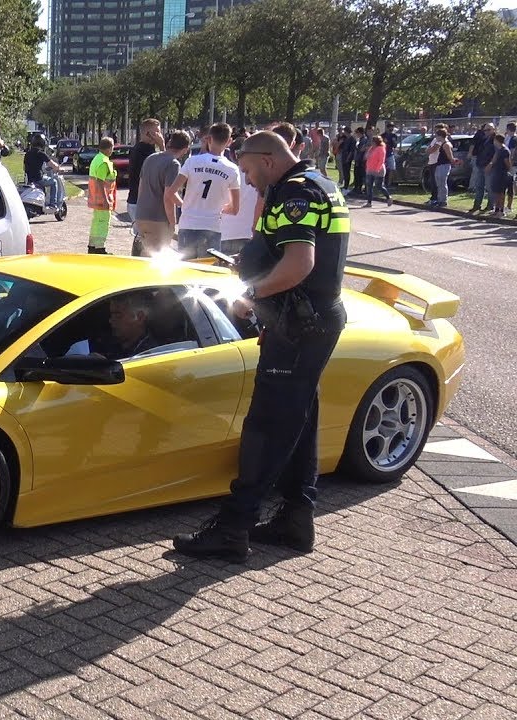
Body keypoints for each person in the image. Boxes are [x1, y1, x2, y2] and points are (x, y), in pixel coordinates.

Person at [173, 130, 349, 562]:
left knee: (266, 426)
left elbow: (299, 263)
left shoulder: (294, 192)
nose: (247, 180)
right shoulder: (322, 184)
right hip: (310, 320)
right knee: (301, 418)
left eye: (249, 169)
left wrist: (251, 292)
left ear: (267, 160)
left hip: (298, 324)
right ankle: (295, 520)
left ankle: (233, 527)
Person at [165, 122, 240, 259]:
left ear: (208, 139)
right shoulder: (232, 169)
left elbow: (171, 192)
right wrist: (221, 209)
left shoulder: (192, 162)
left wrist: (185, 205)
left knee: (186, 269)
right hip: (212, 225)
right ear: (229, 141)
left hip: (188, 223)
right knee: (207, 271)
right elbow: (235, 208)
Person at [134, 130, 191, 256]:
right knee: (157, 258)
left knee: (145, 255)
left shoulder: (150, 158)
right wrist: (173, 221)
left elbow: (141, 188)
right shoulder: (173, 164)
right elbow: (168, 196)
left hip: (141, 215)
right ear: (186, 149)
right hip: (158, 218)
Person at [126, 119, 163, 253]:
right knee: (147, 242)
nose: (160, 135)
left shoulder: (141, 149)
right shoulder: (145, 151)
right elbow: (165, 167)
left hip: (136, 200)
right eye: (157, 132)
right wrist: (163, 146)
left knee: (141, 238)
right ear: (149, 133)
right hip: (141, 202)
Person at [86, 136, 117, 255]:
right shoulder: (104, 162)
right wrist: (105, 199)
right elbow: (100, 181)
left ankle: (92, 246)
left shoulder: (96, 159)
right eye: (112, 147)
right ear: (109, 148)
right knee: (103, 223)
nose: (113, 150)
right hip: (103, 199)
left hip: (95, 198)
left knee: (96, 223)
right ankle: (100, 248)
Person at [468, 124, 495, 212]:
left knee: (490, 187)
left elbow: (497, 154)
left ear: (493, 130)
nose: (486, 132)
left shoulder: (495, 140)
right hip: (480, 165)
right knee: (479, 186)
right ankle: (477, 205)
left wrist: (490, 164)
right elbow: (477, 150)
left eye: (488, 130)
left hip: (489, 167)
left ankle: (490, 206)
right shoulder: (482, 139)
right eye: (485, 130)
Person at [361, 135, 391, 207]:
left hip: (378, 170)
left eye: (373, 141)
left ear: (377, 142)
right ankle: (369, 202)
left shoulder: (381, 149)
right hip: (369, 169)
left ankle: (388, 197)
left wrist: (377, 169)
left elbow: (381, 160)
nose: (372, 143)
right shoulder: (371, 148)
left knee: (379, 186)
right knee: (369, 186)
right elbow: (366, 157)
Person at [487, 132, 511, 218]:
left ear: (497, 140)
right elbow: (493, 161)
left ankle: (501, 210)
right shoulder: (498, 150)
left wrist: (507, 171)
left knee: (501, 193)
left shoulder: (504, 150)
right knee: (496, 192)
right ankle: (496, 209)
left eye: (494, 140)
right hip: (496, 173)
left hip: (502, 174)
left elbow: (507, 163)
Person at [428, 128, 453, 207]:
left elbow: (450, 156)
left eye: (437, 136)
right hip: (439, 164)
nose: (436, 137)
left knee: (442, 183)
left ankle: (444, 200)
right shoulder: (441, 144)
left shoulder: (446, 144)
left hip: (444, 165)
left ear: (440, 136)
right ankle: (439, 199)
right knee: (439, 183)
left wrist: (454, 160)